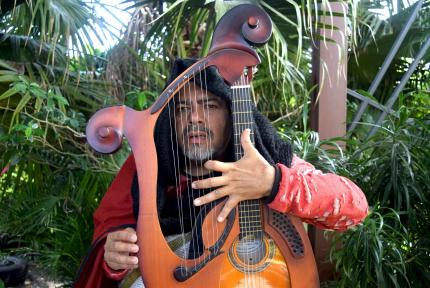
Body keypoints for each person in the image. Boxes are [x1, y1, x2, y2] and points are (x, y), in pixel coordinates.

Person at [74, 59, 368, 287]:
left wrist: (272, 182)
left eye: (209, 105)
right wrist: (114, 257)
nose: (194, 118)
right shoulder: (147, 167)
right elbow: (107, 242)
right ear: (170, 119)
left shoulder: (266, 158)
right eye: (182, 108)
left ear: (232, 112)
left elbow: (354, 206)